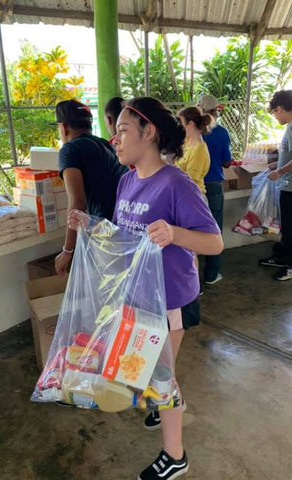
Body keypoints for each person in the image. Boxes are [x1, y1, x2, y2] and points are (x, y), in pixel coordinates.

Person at [69, 97, 223, 480]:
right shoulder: (127, 180)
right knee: (148, 370)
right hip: (139, 297)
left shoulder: (176, 183)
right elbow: (126, 237)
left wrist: (175, 234)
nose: (114, 139)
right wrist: (92, 225)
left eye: (121, 130)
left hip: (171, 301)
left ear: (148, 132)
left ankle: (174, 456)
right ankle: (157, 407)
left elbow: (214, 243)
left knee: (163, 380)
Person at [53, 99, 128, 276]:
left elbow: (77, 205)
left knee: (107, 295)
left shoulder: (70, 150)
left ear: (64, 128)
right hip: (124, 229)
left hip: (104, 235)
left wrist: (67, 251)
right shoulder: (106, 144)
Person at [197, 94, 232, 285]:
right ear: (215, 111)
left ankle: (194, 281)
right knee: (215, 229)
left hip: (192, 186)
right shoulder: (221, 132)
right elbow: (227, 163)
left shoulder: (190, 131)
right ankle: (211, 274)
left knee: (191, 227)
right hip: (213, 186)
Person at [259, 90, 292, 281]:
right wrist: (277, 164)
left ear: (280, 108)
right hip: (287, 186)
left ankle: (289, 265)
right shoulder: (289, 126)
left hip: (290, 187)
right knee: (286, 227)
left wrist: (280, 171)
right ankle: (283, 257)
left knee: (290, 228)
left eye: (274, 113)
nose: (275, 117)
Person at [175, 106, 213, 194]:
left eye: (181, 124)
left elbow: (189, 181)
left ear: (191, 124)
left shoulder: (199, 150)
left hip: (192, 195)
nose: (179, 128)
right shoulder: (186, 142)